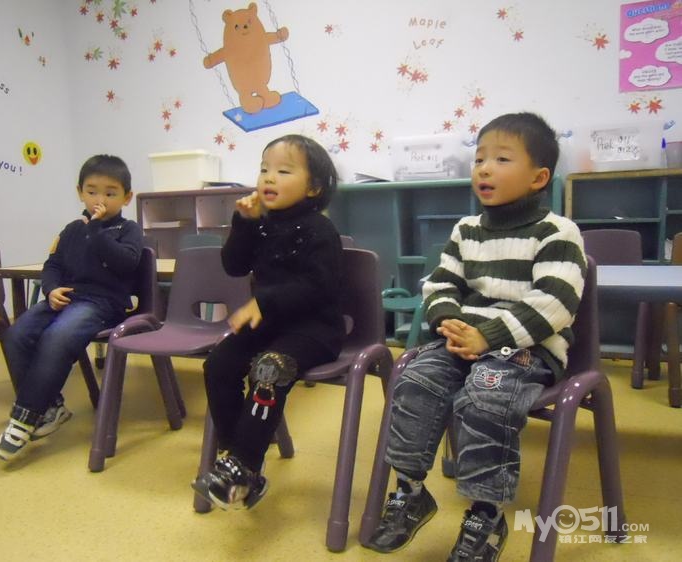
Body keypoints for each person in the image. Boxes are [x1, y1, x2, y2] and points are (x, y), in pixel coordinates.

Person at [367, 112, 587, 561]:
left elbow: (555, 303)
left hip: (525, 350)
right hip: (465, 342)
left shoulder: (558, 232)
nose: (484, 168)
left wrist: (487, 336)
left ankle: (486, 515)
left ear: (538, 178)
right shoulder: (466, 231)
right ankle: (410, 492)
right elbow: (439, 285)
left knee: (485, 396)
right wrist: (449, 322)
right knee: (415, 380)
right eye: (480, 158)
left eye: (502, 159)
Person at [192, 134, 345, 510]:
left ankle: (242, 465)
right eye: (264, 169)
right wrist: (243, 223)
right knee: (219, 364)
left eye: (284, 171)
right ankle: (238, 460)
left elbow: (319, 287)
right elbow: (234, 265)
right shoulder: (261, 224)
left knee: (268, 370)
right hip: (271, 326)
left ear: (314, 187)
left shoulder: (320, 230)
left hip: (315, 330)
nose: (269, 178)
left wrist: (265, 300)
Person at [0, 154, 143, 461]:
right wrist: (50, 288)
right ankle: (51, 408)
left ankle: (24, 417)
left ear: (126, 197)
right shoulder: (72, 229)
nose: (100, 199)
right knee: (15, 334)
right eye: (92, 191)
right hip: (65, 298)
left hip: (104, 304)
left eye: (110, 193)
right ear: (80, 192)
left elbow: (127, 263)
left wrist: (98, 230)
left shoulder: (128, 229)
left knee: (57, 337)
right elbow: (53, 264)